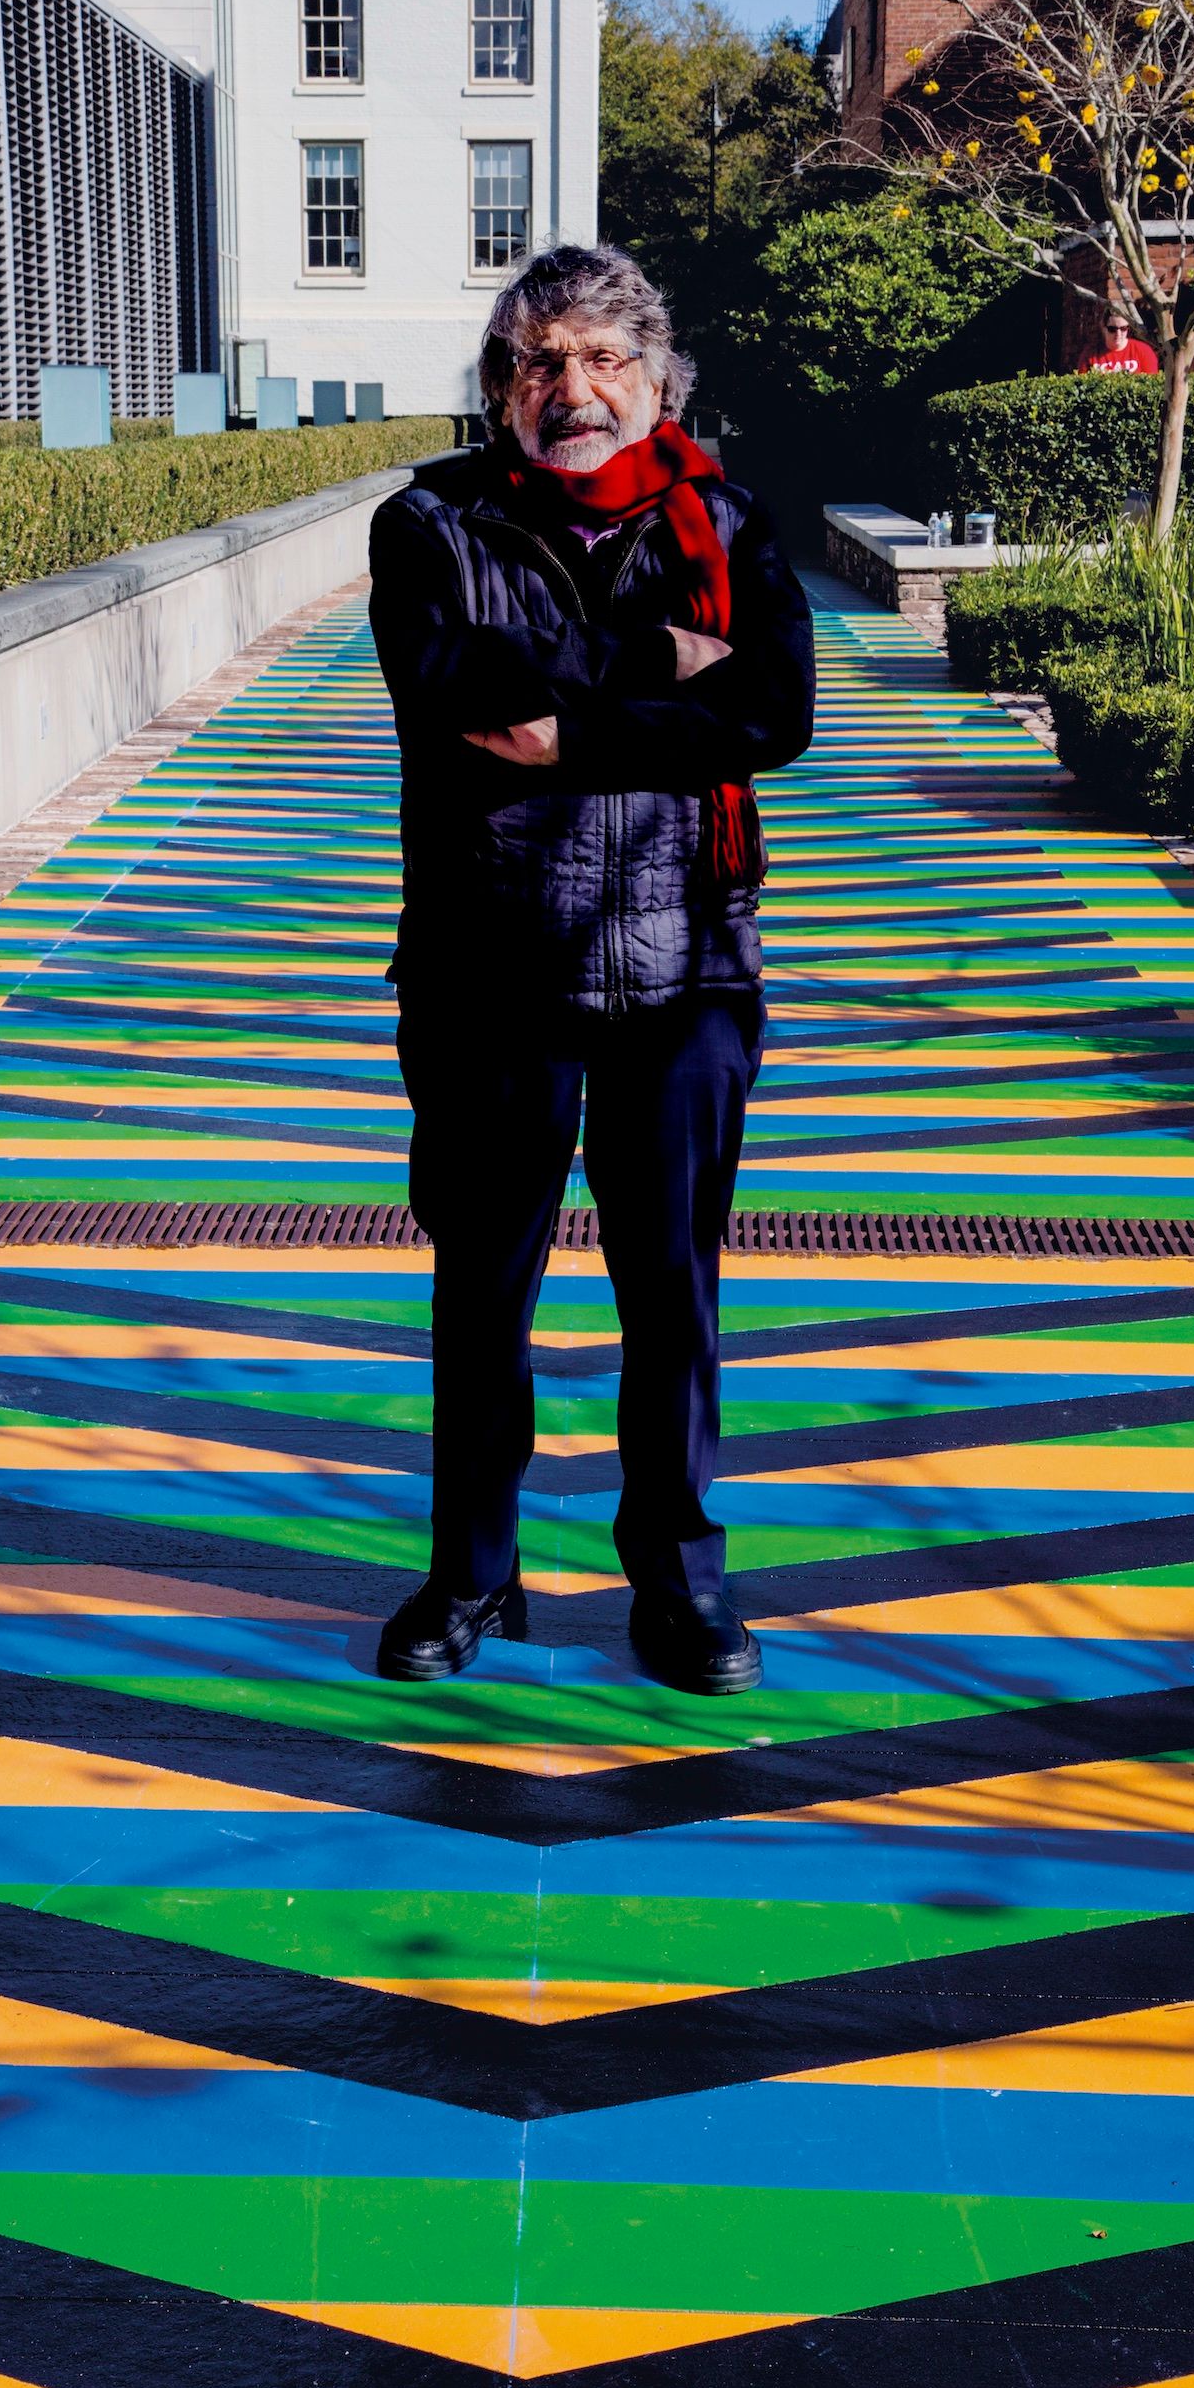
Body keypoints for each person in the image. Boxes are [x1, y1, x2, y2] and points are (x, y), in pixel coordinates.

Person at [366, 243, 815, 1695]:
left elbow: (777, 711)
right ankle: (471, 1578)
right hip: (490, 974)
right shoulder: (426, 528)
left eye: (605, 360)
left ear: (659, 378)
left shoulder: (732, 522)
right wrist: (659, 662)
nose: (575, 390)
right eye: (541, 362)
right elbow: (461, 697)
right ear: (501, 391)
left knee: (672, 1299)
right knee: (482, 1292)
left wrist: (582, 714)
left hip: (685, 971)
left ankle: (680, 1587)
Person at [1080, 311, 1158, 375]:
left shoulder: (1143, 351)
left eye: (1123, 328)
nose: (1118, 334)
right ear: (1103, 328)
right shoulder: (1091, 353)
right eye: (1112, 329)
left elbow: (1151, 384)